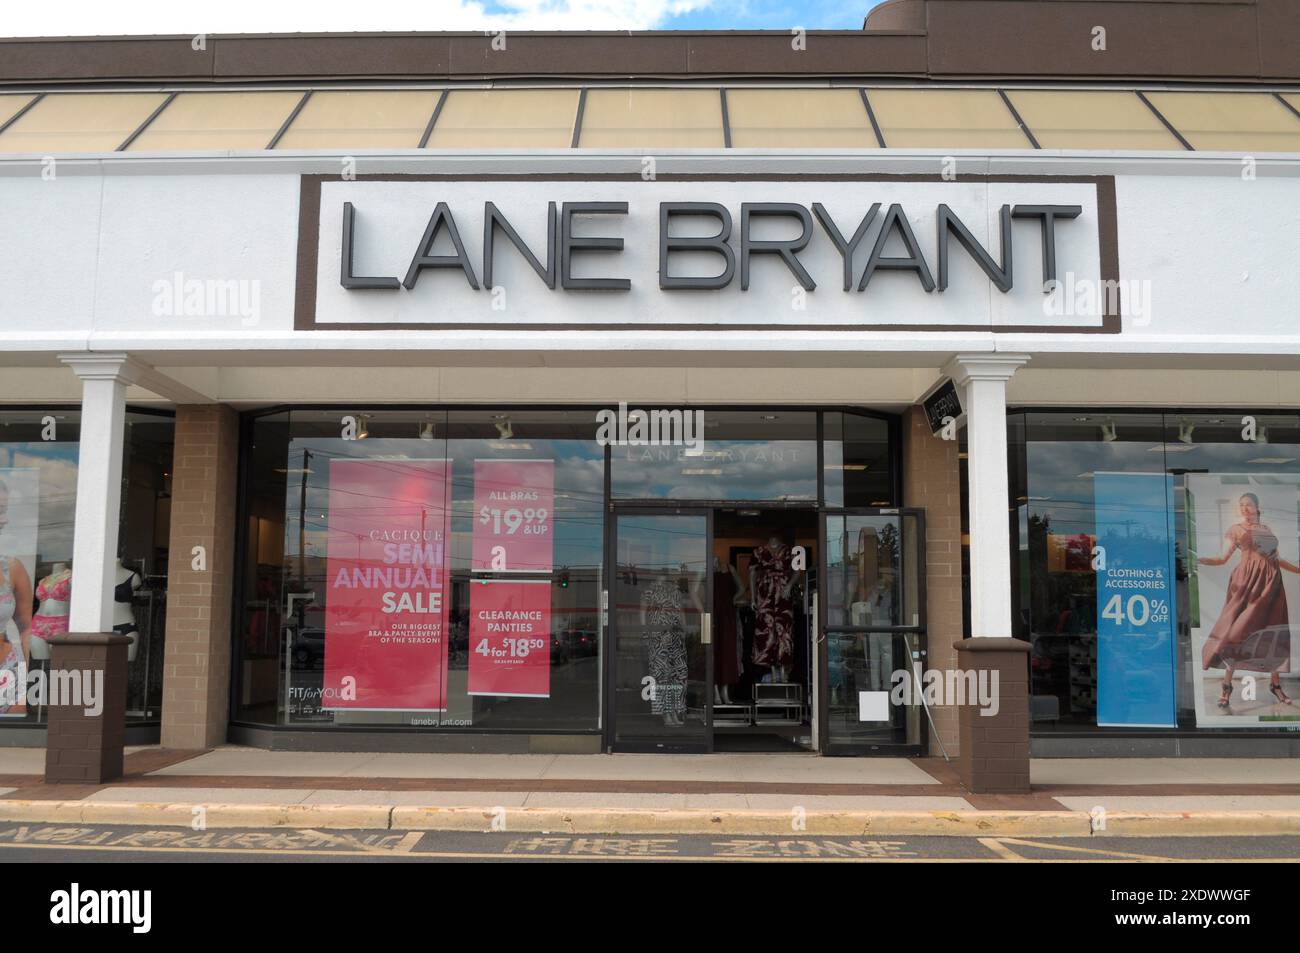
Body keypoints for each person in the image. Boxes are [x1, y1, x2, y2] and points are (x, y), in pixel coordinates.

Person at [1198, 492, 1298, 709]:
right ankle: (1226, 687)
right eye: (1241, 505)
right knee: (1236, 633)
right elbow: (1222, 558)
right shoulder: (1236, 529)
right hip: (1246, 584)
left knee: (1273, 633)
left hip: (1271, 584)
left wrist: (1299, 570)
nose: (1244, 508)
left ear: (1256, 507)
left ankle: (1276, 685)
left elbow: (1277, 559)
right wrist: (1202, 560)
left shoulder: (1267, 530)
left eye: (1248, 504)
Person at [0, 479, 34, 715]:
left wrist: (24, 675)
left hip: (6, 668)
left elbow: (26, 628)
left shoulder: (12, 568)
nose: (4, 519)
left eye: (4, 511)